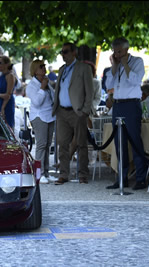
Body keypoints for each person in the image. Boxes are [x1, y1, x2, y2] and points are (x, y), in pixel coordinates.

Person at [105, 37, 147, 190]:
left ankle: (141, 178)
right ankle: (122, 178)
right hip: (118, 105)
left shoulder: (137, 62)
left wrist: (125, 65)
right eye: (115, 52)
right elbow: (109, 85)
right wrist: (115, 67)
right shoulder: (115, 64)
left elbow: (136, 81)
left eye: (119, 51)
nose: (117, 54)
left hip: (131, 104)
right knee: (119, 142)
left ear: (126, 50)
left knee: (135, 140)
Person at [52, 42, 93, 185]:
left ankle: (83, 174)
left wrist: (85, 111)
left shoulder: (83, 68)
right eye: (62, 52)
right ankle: (64, 174)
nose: (63, 55)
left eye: (66, 51)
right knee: (62, 144)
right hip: (62, 111)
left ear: (74, 52)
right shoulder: (62, 69)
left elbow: (90, 91)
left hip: (77, 111)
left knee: (81, 144)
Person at [26, 60, 56, 184]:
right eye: (41, 67)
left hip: (49, 116)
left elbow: (52, 97)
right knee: (41, 144)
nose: (44, 69)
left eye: (44, 66)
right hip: (39, 116)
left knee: (48, 144)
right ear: (35, 70)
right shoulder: (31, 86)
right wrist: (42, 88)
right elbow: (37, 102)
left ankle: (46, 172)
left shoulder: (46, 82)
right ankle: (39, 173)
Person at [0, 56, 16, 128]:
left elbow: (8, 95)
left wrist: (3, 108)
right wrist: (0, 95)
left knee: (7, 125)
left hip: (7, 104)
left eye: (0, 63)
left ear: (7, 64)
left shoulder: (10, 76)